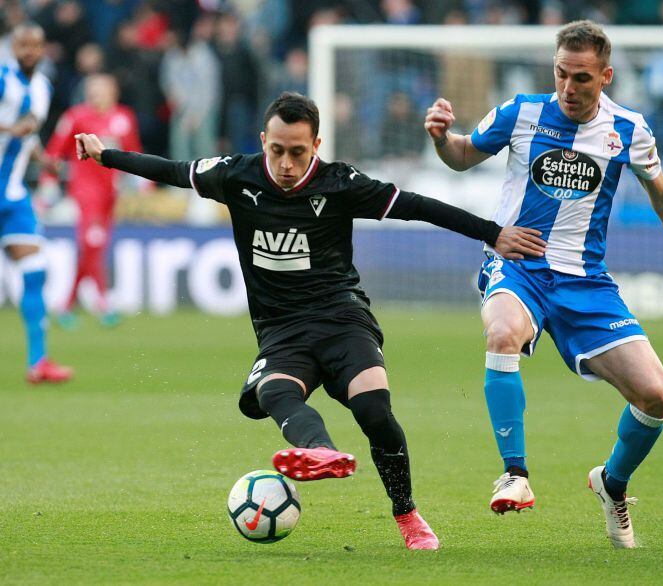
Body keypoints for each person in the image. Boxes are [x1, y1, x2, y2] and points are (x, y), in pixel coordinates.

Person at [74, 91, 523, 551]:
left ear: (316, 145)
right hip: (281, 329)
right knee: (273, 391)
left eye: (297, 152)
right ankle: (321, 451)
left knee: (374, 410)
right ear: (262, 140)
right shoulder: (235, 174)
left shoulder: (340, 183)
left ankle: (407, 514)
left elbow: (418, 206)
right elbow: (171, 171)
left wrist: (493, 234)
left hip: (342, 316)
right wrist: (106, 155)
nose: (286, 164)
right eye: (277, 150)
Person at [424, 20, 663, 548]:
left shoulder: (628, 129)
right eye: (561, 74)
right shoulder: (520, 112)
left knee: (656, 396)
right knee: (502, 333)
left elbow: (662, 196)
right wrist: (439, 138)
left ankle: (612, 484)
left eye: (582, 77)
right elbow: (462, 155)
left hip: (586, 283)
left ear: (605, 76)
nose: (568, 87)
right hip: (519, 266)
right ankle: (515, 473)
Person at [0, 23, 72, 384]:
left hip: (12, 195)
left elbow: (29, 137)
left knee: (35, 270)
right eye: (23, 45)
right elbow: (17, 130)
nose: (29, 51)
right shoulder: (2, 80)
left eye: (36, 45)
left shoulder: (43, 86)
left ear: (43, 49)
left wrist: (43, 159)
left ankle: (38, 362)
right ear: (13, 48)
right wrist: (10, 129)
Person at [44, 73, 141, 326]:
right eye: (92, 89)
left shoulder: (124, 117)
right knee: (92, 241)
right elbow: (55, 151)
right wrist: (48, 183)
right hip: (85, 190)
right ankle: (101, 302)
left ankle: (67, 304)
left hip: (111, 192)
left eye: (101, 89)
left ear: (113, 91)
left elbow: (134, 152)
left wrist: (144, 183)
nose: (95, 94)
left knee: (94, 247)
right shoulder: (76, 117)